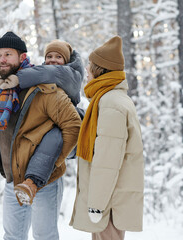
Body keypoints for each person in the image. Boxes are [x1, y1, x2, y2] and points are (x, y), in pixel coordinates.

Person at [0, 32, 82, 240]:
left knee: (44, 236)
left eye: (8, 54)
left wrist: (56, 161)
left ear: (22, 58)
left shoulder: (45, 89)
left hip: (45, 181)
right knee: (12, 236)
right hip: (13, 179)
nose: (2, 60)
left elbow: (73, 126)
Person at [69, 36, 144, 240]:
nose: (86, 70)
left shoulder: (110, 104)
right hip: (111, 200)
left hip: (109, 204)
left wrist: (96, 205)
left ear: (100, 70)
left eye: (90, 66)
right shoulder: (113, 99)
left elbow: (106, 162)